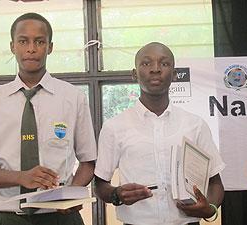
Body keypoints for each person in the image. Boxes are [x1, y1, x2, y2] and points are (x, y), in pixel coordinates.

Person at [0, 12, 97, 225]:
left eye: (39, 41)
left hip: (60, 217)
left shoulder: (73, 98)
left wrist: (72, 194)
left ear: (50, 47)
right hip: (7, 217)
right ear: (12, 46)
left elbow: (88, 162)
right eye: (23, 41)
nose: (31, 49)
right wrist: (21, 177)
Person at [94, 42, 225, 225]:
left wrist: (209, 208)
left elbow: (215, 183)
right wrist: (116, 194)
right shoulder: (114, 127)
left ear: (174, 74)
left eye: (164, 64)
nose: (155, 69)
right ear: (134, 74)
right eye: (146, 63)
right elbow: (99, 185)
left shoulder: (195, 125)